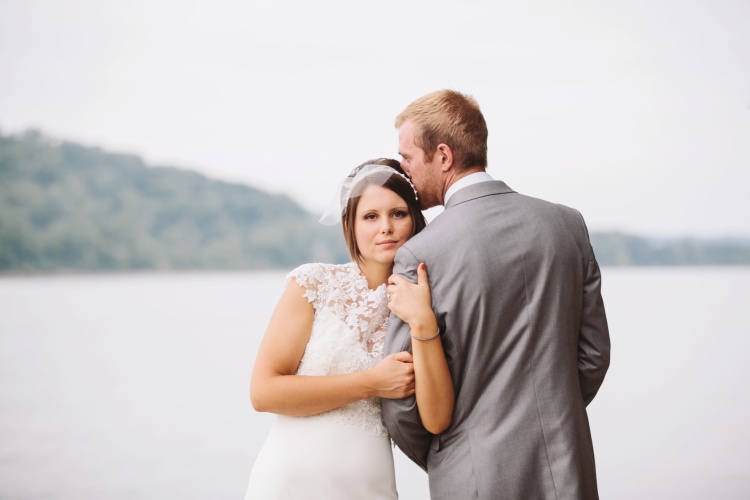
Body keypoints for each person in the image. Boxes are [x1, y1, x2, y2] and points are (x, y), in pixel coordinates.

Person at [381, 90, 611, 500]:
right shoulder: (567, 224)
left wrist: (451, 454)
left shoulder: (420, 253)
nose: (404, 169)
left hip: (472, 479)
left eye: (409, 157)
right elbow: (593, 355)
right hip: (567, 468)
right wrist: (556, 422)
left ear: (444, 156)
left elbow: (402, 398)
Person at [244, 158, 454, 499]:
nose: (385, 227)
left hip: (368, 485)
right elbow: (263, 392)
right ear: (351, 226)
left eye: (398, 213)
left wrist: (422, 320)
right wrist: (372, 383)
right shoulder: (313, 284)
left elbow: (436, 419)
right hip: (289, 482)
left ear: (415, 221)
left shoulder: (428, 304)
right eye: (370, 216)